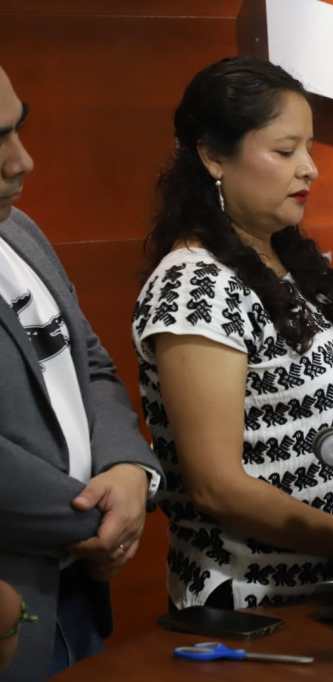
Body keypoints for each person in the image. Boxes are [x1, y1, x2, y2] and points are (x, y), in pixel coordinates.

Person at [131, 57, 333, 610]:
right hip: (257, 607)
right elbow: (217, 487)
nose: (310, 169)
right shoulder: (195, 286)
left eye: (309, 148)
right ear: (213, 156)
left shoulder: (283, 256)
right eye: (285, 150)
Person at [0, 67, 162, 680]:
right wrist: (101, 519)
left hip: (78, 600)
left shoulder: (19, 231)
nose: (22, 161)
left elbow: (89, 362)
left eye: (18, 128)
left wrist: (129, 469)